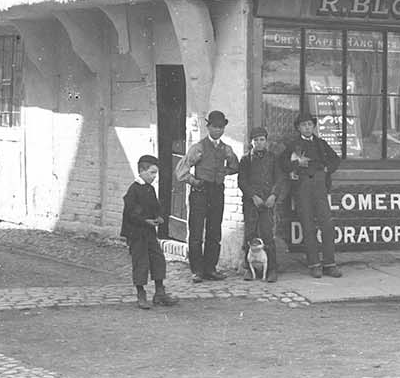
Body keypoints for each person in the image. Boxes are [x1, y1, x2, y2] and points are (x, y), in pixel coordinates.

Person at [178, 109, 239, 282]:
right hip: (200, 192)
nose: (217, 130)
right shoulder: (198, 148)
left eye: (221, 127)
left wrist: (223, 172)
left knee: (214, 232)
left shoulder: (226, 149)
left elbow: (235, 166)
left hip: (217, 192)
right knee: (196, 232)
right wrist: (194, 181)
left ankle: (210, 269)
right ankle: (197, 271)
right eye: (214, 127)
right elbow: (181, 171)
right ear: (208, 127)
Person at [280, 112, 343, 278]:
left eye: (309, 124)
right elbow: (283, 163)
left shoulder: (321, 143)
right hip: (302, 188)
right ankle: (314, 264)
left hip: (320, 186)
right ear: (298, 128)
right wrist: (295, 164)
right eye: (303, 125)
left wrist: (327, 169)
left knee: (327, 225)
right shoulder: (293, 145)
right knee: (308, 226)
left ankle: (330, 263)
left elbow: (335, 159)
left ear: (313, 126)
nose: (307, 127)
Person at [121, 154, 177, 310]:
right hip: (136, 233)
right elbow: (130, 213)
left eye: (156, 173)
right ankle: (141, 294)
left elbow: (155, 206)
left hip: (149, 232)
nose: (154, 177)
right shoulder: (133, 190)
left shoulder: (150, 189)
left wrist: (158, 216)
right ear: (141, 171)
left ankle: (160, 292)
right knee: (141, 262)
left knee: (158, 259)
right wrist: (144, 221)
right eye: (152, 173)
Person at [237, 126, 283, 282]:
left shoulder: (273, 158)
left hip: (268, 202)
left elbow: (279, 179)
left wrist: (273, 195)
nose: (259, 143)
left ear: (266, 141)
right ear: (251, 142)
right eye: (255, 140)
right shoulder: (245, 160)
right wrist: (253, 196)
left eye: (262, 139)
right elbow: (242, 181)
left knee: (267, 234)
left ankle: (272, 269)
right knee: (250, 233)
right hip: (251, 203)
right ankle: (248, 269)